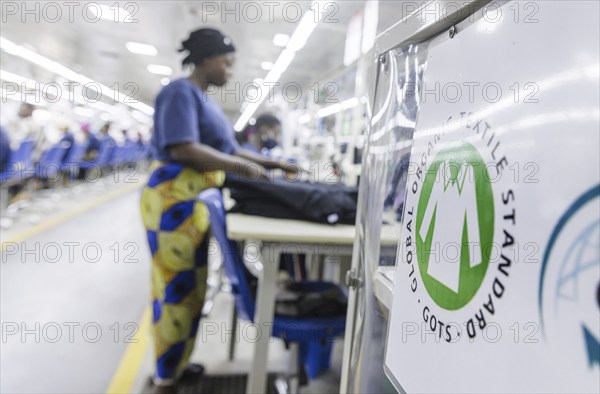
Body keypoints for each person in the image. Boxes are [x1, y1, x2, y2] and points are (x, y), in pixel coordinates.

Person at [140, 27, 299, 393]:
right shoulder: (179, 92)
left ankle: (178, 364)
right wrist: (244, 168)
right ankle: (165, 377)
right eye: (226, 63)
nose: (229, 70)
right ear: (206, 59)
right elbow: (181, 147)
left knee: (195, 284)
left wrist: (275, 166)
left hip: (194, 196)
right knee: (174, 287)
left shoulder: (206, 100)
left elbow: (228, 150)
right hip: (172, 198)